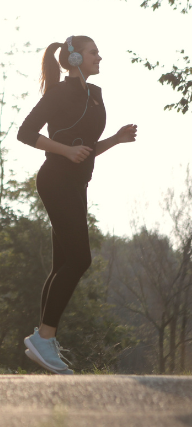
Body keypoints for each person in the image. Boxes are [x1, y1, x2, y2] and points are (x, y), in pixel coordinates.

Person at [17, 35, 137, 375]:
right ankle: (44, 337)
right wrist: (65, 151)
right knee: (80, 259)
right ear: (74, 58)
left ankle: (44, 341)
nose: (100, 57)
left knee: (63, 264)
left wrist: (115, 139)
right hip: (56, 180)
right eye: (93, 53)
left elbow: (85, 147)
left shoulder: (95, 95)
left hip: (76, 183)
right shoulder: (58, 94)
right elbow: (25, 133)